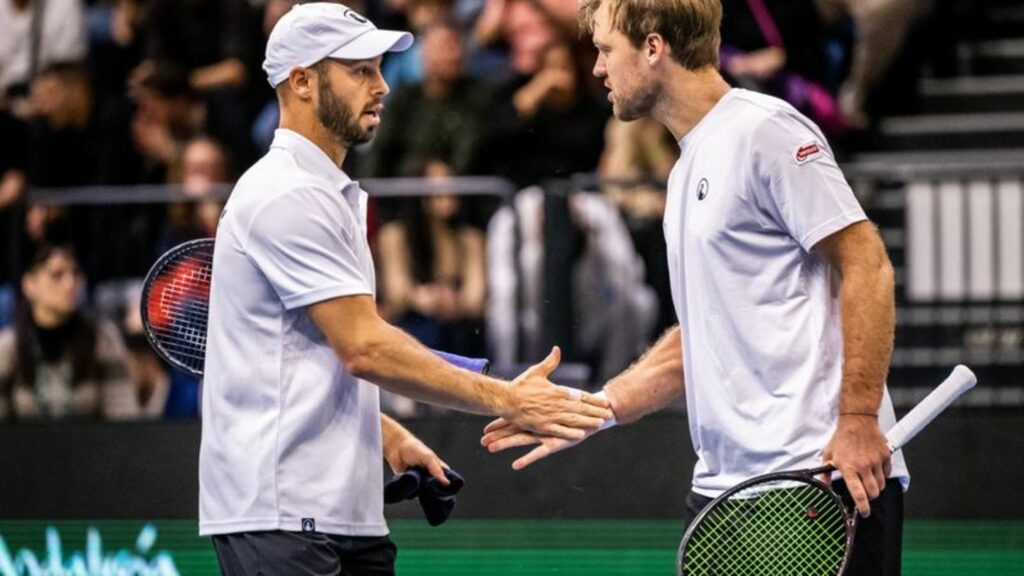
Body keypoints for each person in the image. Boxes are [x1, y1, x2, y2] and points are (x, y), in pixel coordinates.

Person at [482, 1, 906, 574]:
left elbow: (867, 264)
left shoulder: (765, 130)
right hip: (723, 493)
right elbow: (705, 333)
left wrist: (858, 422)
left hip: (815, 479)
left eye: (607, 50)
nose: (597, 70)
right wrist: (596, 407)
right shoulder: (684, 169)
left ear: (653, 49)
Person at [199, 4, 611, 575]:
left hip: (343, 513)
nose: (383, 86)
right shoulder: (282, 195)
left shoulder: (324, 192)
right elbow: (364, 348)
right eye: (360, 71)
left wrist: (386, 435)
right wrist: (509, 399)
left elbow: (314, 356)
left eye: (379, 69)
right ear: (302, 82)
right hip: (281, 514)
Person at [0, 245, 136, 421]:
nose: (70, 283)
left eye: (75, 274)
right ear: (30, 285)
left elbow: (125, 417)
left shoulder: (103, 338)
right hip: (22, 448)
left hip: (93, 446)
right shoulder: (8, 346)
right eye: (56, 275)